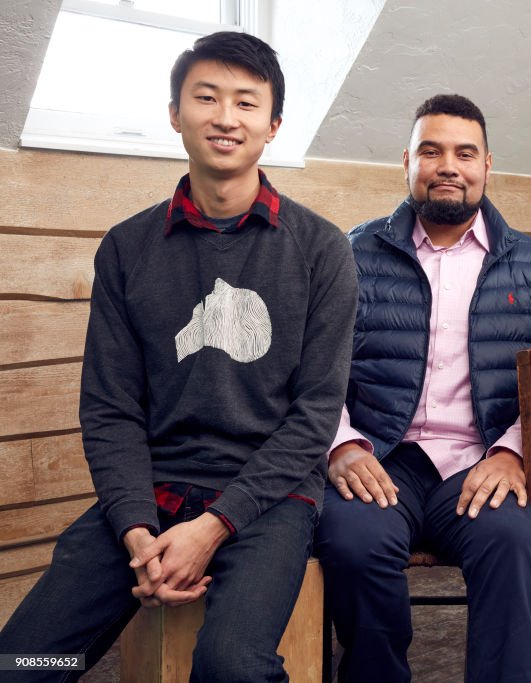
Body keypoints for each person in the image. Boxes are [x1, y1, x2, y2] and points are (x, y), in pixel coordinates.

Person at [0, 31, 357, 681]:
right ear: (175, 114)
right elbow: (109, 408)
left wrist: (212, 527)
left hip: (269, 499)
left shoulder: (321, 249)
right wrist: (137, 529)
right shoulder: (127, 248)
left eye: (247, 103)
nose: (225, 116)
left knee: (231, 664)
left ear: (273, 125)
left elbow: (315, 416)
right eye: (206, 97)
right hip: (150, 493)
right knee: (22, 661)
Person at [313, 94, 531, 683]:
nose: (448, 165)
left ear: (486, 166)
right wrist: (341, 445)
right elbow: (315, 366)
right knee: (351, 541)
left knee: (514, 542)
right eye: (431, 151)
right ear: (407, 162)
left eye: (464, 153)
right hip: (382, 459)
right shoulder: (353, 253)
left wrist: (515, 451)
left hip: (482, 464)